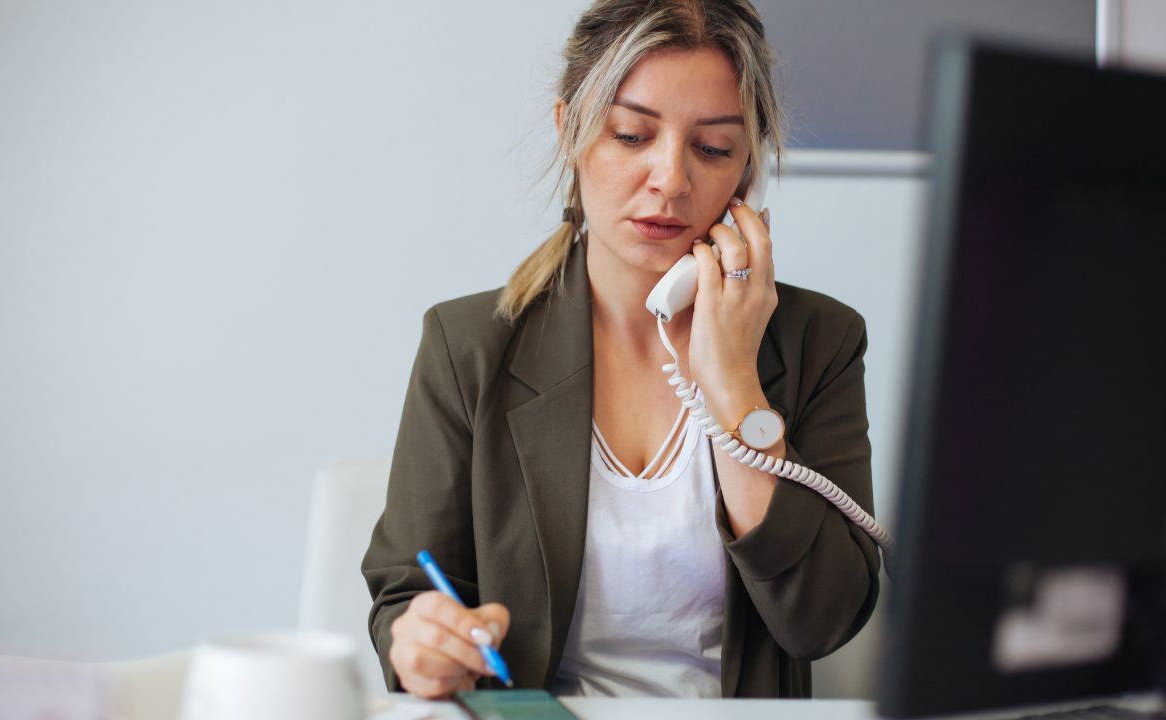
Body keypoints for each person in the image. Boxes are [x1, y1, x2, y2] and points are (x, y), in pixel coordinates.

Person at [362, 0, 880, 700]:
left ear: (746, 169)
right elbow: (406, 595)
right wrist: (421, 642)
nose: (670, 180)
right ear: (569, 131)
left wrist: (733, 386)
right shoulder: (468, 345)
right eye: (632, 136)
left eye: (713, 148)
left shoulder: (820, 340)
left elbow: (822, 622)